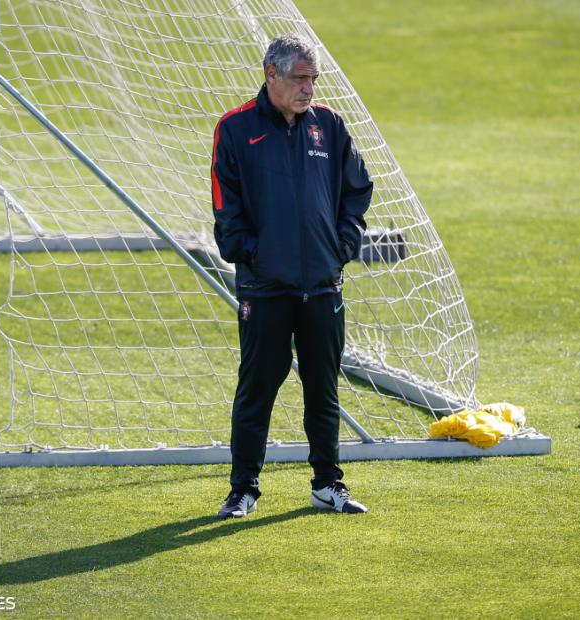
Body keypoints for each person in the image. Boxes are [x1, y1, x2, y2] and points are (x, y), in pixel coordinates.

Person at [210, 33, 374, 518]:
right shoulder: (236, 129)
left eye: (313, 79)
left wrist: (342, 246)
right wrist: (255, 254)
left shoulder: (329, 125)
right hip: (265, 289)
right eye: (300, 79)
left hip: (323, 286)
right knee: (257, 388)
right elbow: (226, 208)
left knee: (323, 390)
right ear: (272, 75)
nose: (309, 89)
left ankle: (328, 484)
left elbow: (358, 189)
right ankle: (243, 490)